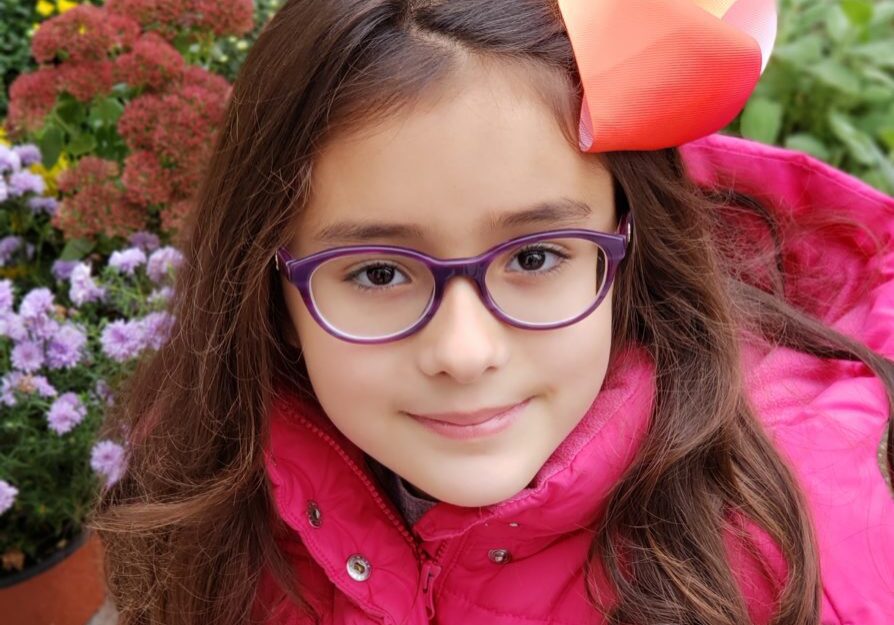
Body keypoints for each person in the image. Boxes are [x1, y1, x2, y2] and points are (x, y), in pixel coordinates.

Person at [92, 1, 894, 624]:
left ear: (630, 247)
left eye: (536, 258)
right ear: (264, 282)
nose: (465, 352)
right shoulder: (213, 484)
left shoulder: (789, 550)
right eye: (377, 271)